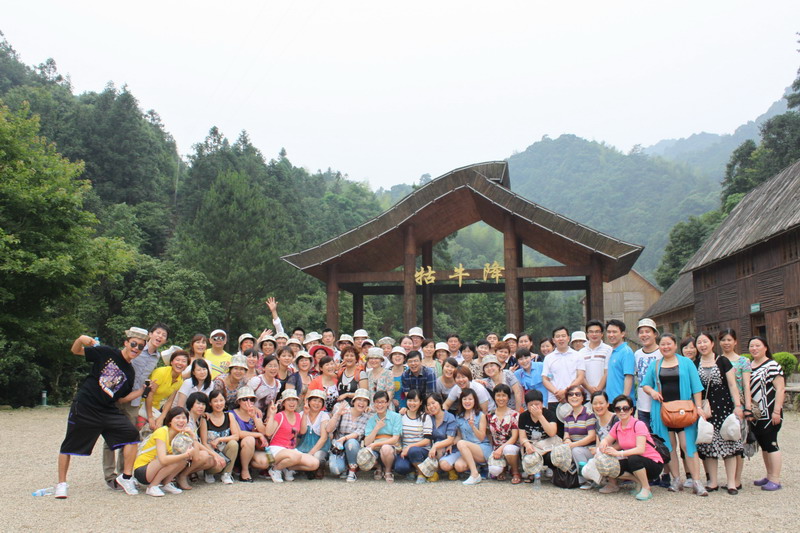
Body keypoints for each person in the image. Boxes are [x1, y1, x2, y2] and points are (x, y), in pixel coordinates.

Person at [56, 328, 148, 499]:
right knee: (68, 445)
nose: (136, 348)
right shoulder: (106, 352)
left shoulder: (130, 372)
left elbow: (121, 399)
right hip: (85, 405)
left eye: (140, 346)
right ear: (126, 343)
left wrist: (142, 391)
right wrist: (80, 339)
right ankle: (61, 484)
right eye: (134, 344)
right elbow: (76, 351)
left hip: (107, 409)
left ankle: (126, 477)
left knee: (132, 434)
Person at [103, 322, 168, 489]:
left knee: (129, 436)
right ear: (150, 334)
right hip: (117, 396)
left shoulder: (156, 357)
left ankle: (123, 473)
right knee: (110, 436)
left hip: (134, 401)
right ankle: (109, 475)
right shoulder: (135, 348)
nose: (160, 337)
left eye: (164, 335)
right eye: (158, 333)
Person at [641, 333, 708, 496]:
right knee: (669, 446)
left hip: (686, 411)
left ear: (675, 345)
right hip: (664, 411)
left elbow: (697, 387)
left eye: (668, 344)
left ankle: (696, 481)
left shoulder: (686, 363)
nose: (666, 347)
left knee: (688, 445)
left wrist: (699, 406)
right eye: (662, 344)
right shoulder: (656, 365)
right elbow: (645, 384)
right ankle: (676, 479)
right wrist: (652, 392)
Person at [695, 331, 743, 494]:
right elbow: (695, 388)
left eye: (705, 342)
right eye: (699, 342)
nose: (702, 345)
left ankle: (731, 483)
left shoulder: (723, 361)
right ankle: (713, 481)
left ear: (712, 343)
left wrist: (737, 405)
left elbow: (732, 385)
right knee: (708, 444)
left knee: (729, 444)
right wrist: (697, 407)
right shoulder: (695, 363)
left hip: (724, 407)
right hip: (706, 409)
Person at [598, 395, 664, 500]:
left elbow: (640, 449)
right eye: (618, 409)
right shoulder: (617, 425)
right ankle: (638, 482)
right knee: (610, 464)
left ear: (631, 410)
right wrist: (603, 444)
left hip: (652, 463)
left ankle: (646, 488)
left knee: (634, 458)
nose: (622, 411)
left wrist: (619, 453)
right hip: (633, 461)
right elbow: (607, 439)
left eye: (625, 408)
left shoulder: (638, 424)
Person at [132, 407, 196, 497]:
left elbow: (194, 453)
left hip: (156, 468)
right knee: (175, 459)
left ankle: (165, 484)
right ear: (170, 421)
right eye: (177, 418)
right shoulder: (162, 432)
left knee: (182, 460)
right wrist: (186, 455)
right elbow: (163, 459)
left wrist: (192, 435)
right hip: (143, 470)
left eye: (184, 418)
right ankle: (152, 486)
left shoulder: (182, 434)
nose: (181, 421)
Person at [748, 336, 784, 491]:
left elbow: (780, 389)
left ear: (765, 347)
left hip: (770, 411)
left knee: (771, 443)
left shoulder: (772, 365)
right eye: (751, 346)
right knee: (763, 445)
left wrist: (777, 411)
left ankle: (775, 478)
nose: (754, 348)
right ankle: (769, 475)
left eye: (758, 345)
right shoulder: (750, 365)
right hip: (756, 414)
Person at [719, 328, 752, 490]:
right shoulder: (717, 360)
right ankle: (730, 478)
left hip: (738, 406)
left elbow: (746, 385)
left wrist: (747, 408)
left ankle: (736, 479)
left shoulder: (743, 361)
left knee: (739, 443)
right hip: (721, 406)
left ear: (735, 342)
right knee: (726, 442)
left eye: (729, 340)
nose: (726, 343)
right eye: (723, 340)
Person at [264, 389, 321, 482]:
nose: (292, 402)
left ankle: (287, 468)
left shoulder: (298, 415)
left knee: (314, 463)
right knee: (295, 456)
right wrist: (272, 414)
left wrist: (305, 414)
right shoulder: (279, 416)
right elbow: (268, 433)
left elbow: (302, 431)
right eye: (289, 400)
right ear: (283, 403)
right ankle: (275, 469)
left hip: (291, 450)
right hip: (276, 449)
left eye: (294, 400)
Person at [439, 388, 492, 485]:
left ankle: (475, 475)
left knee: (461, 443)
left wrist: (473, 426)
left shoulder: (480, 415)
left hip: (481, 448)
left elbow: (481, 437)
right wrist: (451, 444)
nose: (467, 402)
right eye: (465, 399)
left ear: (475, 401)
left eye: (470, 399)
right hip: (466, 449)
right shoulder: (459, 416)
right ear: (461, 401)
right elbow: (459, 436)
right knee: (459, 466)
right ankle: (477, 467)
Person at [326, 389, 372, 482]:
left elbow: (358, 433)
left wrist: (344, 438)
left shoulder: (367, 417)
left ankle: (352, 470)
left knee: (351, 442)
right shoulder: (344, 411)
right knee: (336, 470)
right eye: (359, 399)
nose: (361, 403)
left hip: (354, 447)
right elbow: (329, 429)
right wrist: (337, 414)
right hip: (339, 447)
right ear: (353, 401)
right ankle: (344, 467)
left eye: (365, 401)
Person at [517, 390, 558, 488]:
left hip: (547, 445)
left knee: (551, 455)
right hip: (532, 444)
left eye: (537, 404)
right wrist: (527, 444)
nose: (534, 407)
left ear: (542, 403)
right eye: (531, 405)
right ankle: (531, 471)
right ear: (527, 406)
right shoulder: (523, 416)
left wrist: (540, 416)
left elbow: (552, 432)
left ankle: (551, 469)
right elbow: (522, 437)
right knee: (523, 451)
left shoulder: (549, 414)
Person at [200, 389, 240, 484]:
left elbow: (236, 436)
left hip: (224, 450)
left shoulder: (229, 415)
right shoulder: (205, 418)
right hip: (211, 452)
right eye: (215, 401)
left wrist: (219, 439)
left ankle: (227, 473)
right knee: (218, 466)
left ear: (225, 401)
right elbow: (204, 442)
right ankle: (209, 472)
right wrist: (216, 455)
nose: (219, 404)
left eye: (221, 400)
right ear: (210, 403)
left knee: (234, 444)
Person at [229, 386, 269, 483]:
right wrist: (258, 435)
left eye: (251, 399)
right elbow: (238, 433)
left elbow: (263, 431)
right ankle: (244, 470)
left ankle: (247, 465)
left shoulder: (256, 413)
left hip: (253, 448)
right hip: (237, 447)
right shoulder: (232, 414)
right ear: (238, 401)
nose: (248, 402)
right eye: (244, 399)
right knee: (249, 439)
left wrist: (254, 417)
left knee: (264, 463)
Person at [541, 327, 585, 412]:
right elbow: (545, 379)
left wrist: (566, 392)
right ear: (553, 340)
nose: (561, 339)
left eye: (563, 336)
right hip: (554, 399)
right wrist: (556, 392)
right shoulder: (549, 358)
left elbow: (580, 377)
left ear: (568, 338)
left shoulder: (578, 355)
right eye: (558, 336)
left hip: (574, 397)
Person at [394, 390, 433, 483]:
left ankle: (421, 473)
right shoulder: (402, 416)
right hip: (405, 452)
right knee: (399, 467)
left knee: (413, 450)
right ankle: (412, 469)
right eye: (410, 400)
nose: (412, 403)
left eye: (415, 401)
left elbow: (427, 440)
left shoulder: (425, 417)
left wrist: (410, 447)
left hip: (421, 451)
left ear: (420, 402)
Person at [143, 350, 188, 430]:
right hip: (142, 405)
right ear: (171, 362)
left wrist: (161, 418)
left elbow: (169, 401)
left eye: (184, 361)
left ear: (187, 365)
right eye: (177, 360)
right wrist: (150, 417)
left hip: (155, 409)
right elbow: (150, 393)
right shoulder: (161, 372)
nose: (180, 363)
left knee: (158, 429)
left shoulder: (180, 381)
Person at [364, 390, 403, 482]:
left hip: (391, 447)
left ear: (387, 403)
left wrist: (377, 444)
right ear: (374, 404)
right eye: (377, 402)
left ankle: (388, 470)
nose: (379, 405)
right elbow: (367, 442)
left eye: (382, 402)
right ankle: (379, 467)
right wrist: (376, 428)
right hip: (376, 448)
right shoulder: (371, 419)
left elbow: (395, 439)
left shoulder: (396, 417)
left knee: (385, 448)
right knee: (363, 454)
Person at [562, 385, 597, 489]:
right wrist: (567, 440)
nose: (574, 397)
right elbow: (566, 435)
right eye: (571, 394)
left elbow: (592, 436)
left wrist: (573, 445)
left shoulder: (589, 414)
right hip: (574, 448)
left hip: (590, 450)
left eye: (577, 394)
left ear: (583, 398)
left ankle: (586, 479)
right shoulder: (567, 416)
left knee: (576, 451)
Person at [487, 384, 521, 483]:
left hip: (511, 447)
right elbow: (489, 435)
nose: (501, 398)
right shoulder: (489, 415)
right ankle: (504, 468)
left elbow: (514, 437)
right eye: (498, 395)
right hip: (497, 449)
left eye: (504, 395)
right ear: (494, 397)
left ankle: (515, 472)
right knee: (494, 470)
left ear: (508, 397)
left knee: (508, 449)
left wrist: (501, 449)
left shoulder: (514, 415)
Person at [633, 319, 661, 431]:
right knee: (644, 436)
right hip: (642, 405)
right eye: (641, 332)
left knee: (660, 437)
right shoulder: (637, 354)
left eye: (647, 331)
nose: (644, 335)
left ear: (655, 334)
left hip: (659, 404)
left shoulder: (661, 352)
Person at [297, 389, 331, 479]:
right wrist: (305, 414)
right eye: (314, 400)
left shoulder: (324, 415)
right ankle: (307, 469)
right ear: (309, 401)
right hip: (304, 445)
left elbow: (323, 438)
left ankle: (318, 468)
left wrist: (311, 453)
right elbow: (302, 432)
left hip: (319, 447)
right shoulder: (302, 414)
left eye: (320, 401)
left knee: (318, 456)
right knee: (297, 457)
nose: (317, 403)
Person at [425, 393, 457, 482]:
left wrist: (435, 446)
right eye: (428, 405)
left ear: (440, 403)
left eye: (433, 403)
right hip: (433, 448)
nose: (431, 406)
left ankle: (449, 469)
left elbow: (450, 439)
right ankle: (435, 472)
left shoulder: (450, 417)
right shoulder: (429, 418)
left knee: (438, 446)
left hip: (449, 448)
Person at [605, 319, 635, 404]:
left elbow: (629, 377)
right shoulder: (612, 351)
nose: (611, 335)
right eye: (609, 332)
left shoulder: (626, 352)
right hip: (611, 401)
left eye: (614, 332)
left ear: (622, 334)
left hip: (622, 403)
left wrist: (624, 400)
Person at [580, 320, 611, 394]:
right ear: (587, 334)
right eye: (591, 332)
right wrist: (589, 388)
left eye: (597, 332)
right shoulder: (581, 352)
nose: (594, 334)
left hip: (603, 394)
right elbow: (580, 374)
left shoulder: (608, 349)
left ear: (602, 334)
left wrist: (598, 390)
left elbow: (607, 372)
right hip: (586, 394)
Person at [390, 346, 408, 411]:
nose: (397, 356)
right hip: (390, 408)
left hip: (408, 408)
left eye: (400, 354)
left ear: (404, 358)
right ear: (391, 358)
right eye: (395, 354)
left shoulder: (409, 372)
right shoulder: (386, 373)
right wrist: (391, 399)